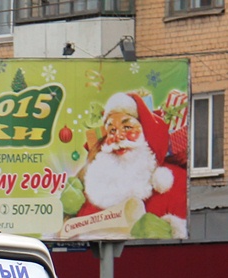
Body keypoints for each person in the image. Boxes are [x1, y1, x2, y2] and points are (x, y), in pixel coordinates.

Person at [68, 92, 187, 239]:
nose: (118, 137)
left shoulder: (177, 182)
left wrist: (170, 232)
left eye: (127, 127)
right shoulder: (95, 188)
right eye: (112, 130)